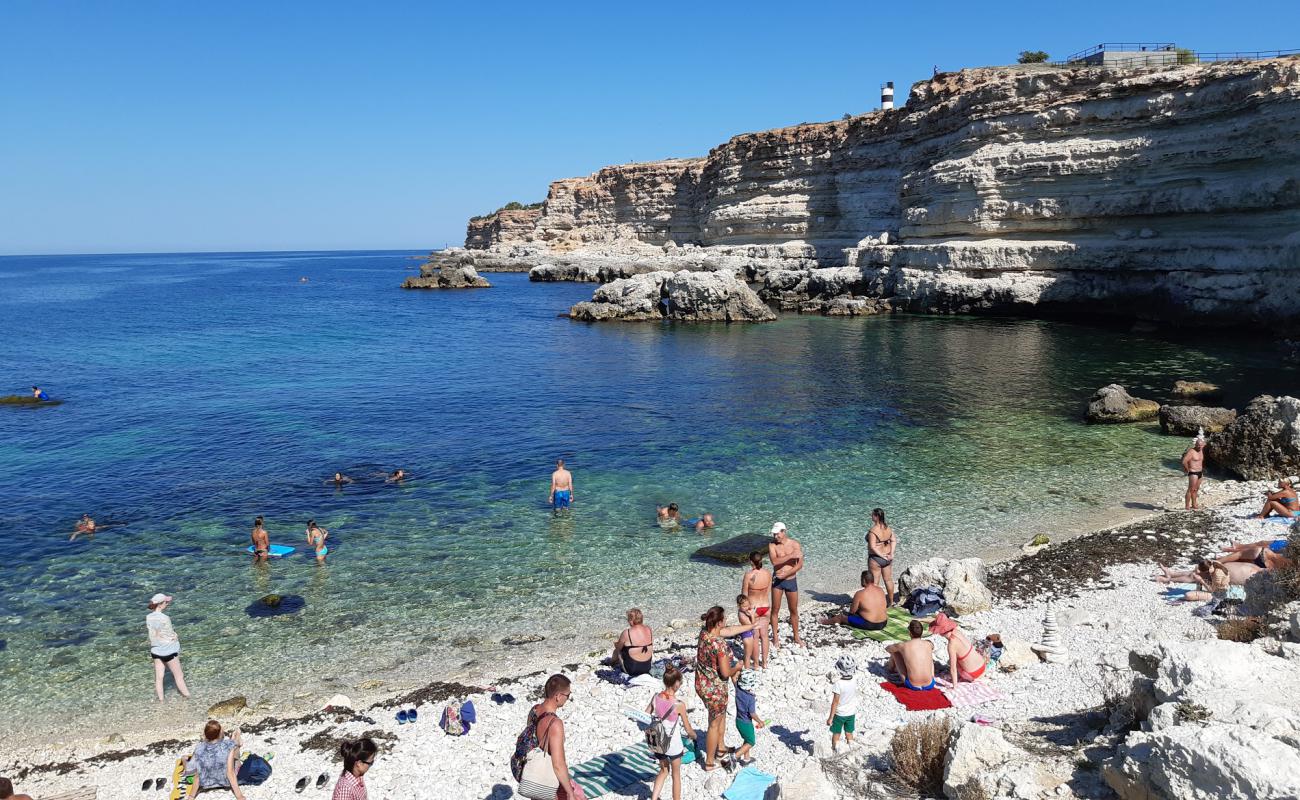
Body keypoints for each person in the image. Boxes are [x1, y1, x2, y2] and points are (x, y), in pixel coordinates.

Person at [695, 606, 746, 771]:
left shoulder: (704, 634)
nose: (726, 622)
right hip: (714, 689)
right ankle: (709, 762)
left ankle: (721, 748)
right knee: (714, 724)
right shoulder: (719, 645)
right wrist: (737, 667)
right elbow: (725, 672)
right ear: (718, 623)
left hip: (702, 682)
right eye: (724, 619)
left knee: (721, 716)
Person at [513, 674, 579, 800]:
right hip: (545, 777)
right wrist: (570, 792)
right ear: (558, 696)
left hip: (531, 770)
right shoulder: (555, 724)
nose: (568, 699)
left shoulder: (535, 710)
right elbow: (558, 764)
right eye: (568, 695)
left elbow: (531, 738)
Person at [647, 666, 697, 800]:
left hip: (658, 741)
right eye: (680, 682)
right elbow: (688, 729)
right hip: (673, 744)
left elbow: (645, 715)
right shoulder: (679, 704)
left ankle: (654, 798)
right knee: (676, 775)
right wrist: (694, 736)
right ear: (676, 684)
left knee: (663, 771)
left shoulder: (655, 697)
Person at [147, 592, 191, 702]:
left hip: (156, 651)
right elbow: (171, 635)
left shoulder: (148, 617)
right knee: (179, 676)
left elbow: (153, 634)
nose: (167, 604)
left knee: (159, 678)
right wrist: (176, 636)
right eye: (166, 602)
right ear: (160, 604)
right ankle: (189, 698)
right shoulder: (165, 618)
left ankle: (161, 702)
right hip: (168, 651)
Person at [185, 720, 245, 800]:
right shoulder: (228, 746)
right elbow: (230, 772)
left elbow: (198, 775)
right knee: (235, 748)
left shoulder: (199, 748)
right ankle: (236, 735)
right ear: (220, 733)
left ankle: (234, 737)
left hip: (206, 784)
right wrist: (239, 796)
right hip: (225, 782)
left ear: (206, 734)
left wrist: (191, 796)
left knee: (232, 745)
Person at [768, 522, 805, 647]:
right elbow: (774, 561)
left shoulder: (795, 544)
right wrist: (791, 556)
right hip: (777, 581)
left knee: (793, 610)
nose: (775, 536)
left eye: (777, 533)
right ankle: (775, 638)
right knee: (775, 610)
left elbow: (800, 564)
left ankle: (796, 636)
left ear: (784, 531)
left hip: (791, 580)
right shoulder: (772, 545)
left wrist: (787, 573)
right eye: (774, 534)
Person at [819, 570, 888, 631]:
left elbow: (852, 611)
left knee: (841, 617)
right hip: (884, 622)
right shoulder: (880, 590)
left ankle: (824, 622)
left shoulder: (860, 594)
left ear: (864, 580)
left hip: (870, 624)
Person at [930, 613, 986, 686]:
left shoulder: (952, 644)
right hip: (982, 665)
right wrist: (920, 619)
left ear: (940, 632)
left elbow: (953, 669)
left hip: (974, 674)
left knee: (953, 661)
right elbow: (937, 622)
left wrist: (954, 686)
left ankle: (964, 678)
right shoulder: (957, 632)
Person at [741, 551, 772, 668]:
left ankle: (757, 663)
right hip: (766, 606)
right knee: (764, 636)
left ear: (750, 561)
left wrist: (743, 611)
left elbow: (744, 595)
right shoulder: (768, 573)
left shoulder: (748, 575)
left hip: (754, 608)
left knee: (755, 636)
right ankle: (765, 662)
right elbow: (768, 591)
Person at [886, 620, 937, 691]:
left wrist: (898, 648)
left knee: (895, 652)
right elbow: (932, 646)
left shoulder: (903, 645)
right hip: (930, 683)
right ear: (922, 632)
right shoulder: (929, 644)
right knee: (929, 654)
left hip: (912, 685)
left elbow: (888, 649)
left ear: (910, 633)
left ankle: (890, 670)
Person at [826, 655, 859, 752]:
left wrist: (831, 717)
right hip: (851, 712)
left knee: (836, 733)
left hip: (840, 714)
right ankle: (851, 747)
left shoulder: (838, 684)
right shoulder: (854, 680)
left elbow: (835, 702)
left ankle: (834, 749)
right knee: (849, 732)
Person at [866, 508, 898, 605]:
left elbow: (872, 546)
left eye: (872, 515)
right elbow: (893, 540)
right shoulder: (887, 528)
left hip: (876, 558)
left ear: (876, 517)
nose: (871, 516)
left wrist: (881, 556)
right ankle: (891, 602)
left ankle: (875, 604)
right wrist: (891, 553)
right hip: (888, 558)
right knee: (888, 580)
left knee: (874, 583)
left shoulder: (873, 531)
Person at [732, 669, 762, 766]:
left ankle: (746, 759)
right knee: (751, 742)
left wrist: (738, 670)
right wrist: (760, 721)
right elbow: (752, 713)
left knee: (746, 738)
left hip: (738, 720)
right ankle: (734, 757)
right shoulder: (750, 698)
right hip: (746, 723)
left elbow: (733, 678)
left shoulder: (738, 688)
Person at [611, 608, 653, 676]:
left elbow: (619, 648)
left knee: (617, 650)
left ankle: (611, 663)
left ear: (631, 620)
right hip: (647, 668)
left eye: (628, 619)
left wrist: (617, 644)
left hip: (632, 670)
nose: (627, 621)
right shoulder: (649, 629)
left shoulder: (626, 632)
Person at [1217, 537, 1293, 569]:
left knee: (1242, 555)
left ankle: (1220, 559)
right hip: (1266, 565)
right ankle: (1237, 547)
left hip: (1264, 555)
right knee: (1262, 544)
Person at [1182, 436, 1206, 510]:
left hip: (1200, 472)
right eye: (1198, 445)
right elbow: (1184, 461)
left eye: (1201, 445)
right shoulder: (1191, 452)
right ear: (1195, 445)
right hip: (1193, 472)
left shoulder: (1202, 449)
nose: (1199, 447)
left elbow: (1205, 443)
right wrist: (1187, 469)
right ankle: (1187, 506)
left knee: (1196, 489)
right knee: (1190, 489)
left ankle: (1194, 504)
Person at [735, 595, 758, 668]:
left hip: (748, 633)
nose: (747, 608)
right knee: (748, 654)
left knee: (749, 652)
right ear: (739, 606)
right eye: (744, 606)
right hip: (747, 635)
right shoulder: (741, 615)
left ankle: (748, 665)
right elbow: (752, 625)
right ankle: (747, 669)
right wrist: (752, 615)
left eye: (748, 605)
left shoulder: (743, 611)